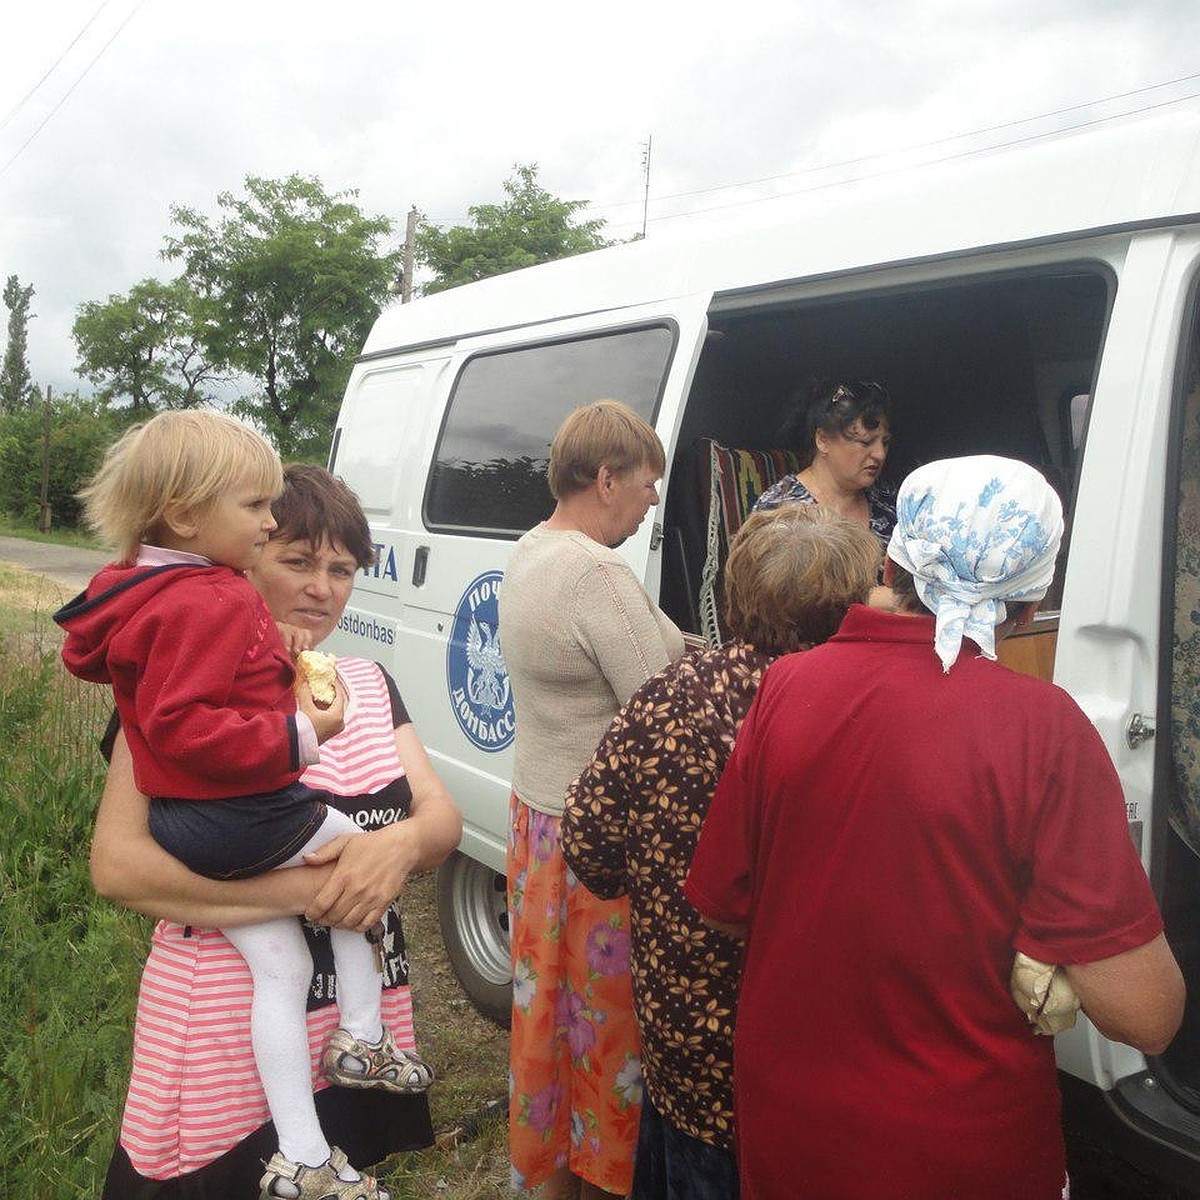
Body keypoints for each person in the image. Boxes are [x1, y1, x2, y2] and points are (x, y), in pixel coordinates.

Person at [686, 455, 1185, 1200]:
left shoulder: (786, 687)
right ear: (1029, 602)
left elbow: (723, 905)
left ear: (891, 562)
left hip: (793, 1135)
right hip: (961, 1153)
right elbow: (1147, 1015)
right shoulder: (1042, 729)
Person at [64, 428, 454, 1199]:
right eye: (297, 560)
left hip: (340, 1033)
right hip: (225, 1036)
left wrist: (397, 847)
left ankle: (361, 1054)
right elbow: (119, 867)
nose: (322, 587)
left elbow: (438, 817)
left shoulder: (366, 683)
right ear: (242, 559)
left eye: (341, 569)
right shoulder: (189, 680)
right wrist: (328, 888)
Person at [561, 504, 880, 1200]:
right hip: (825, 1048)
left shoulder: (668, 697)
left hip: (687, 1040)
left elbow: (590, 846)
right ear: (854, 605)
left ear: (735, 595)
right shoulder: (869, 712)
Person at [499, 400, 686, 1199]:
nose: (652, 501)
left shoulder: (532, 550)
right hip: (603, 841)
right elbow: (663, 703)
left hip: (539, 824)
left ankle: (551, 1176)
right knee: (612, 1031)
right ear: (606, 478)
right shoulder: (599, 574)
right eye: (646, 485)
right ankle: (612, 1178)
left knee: (551, 1015)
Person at [752, 378, 896, 544]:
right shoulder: (779, 511)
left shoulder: (889, 502)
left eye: (885, 442)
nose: (880, 454)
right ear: (823, 440)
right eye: (865, 442)